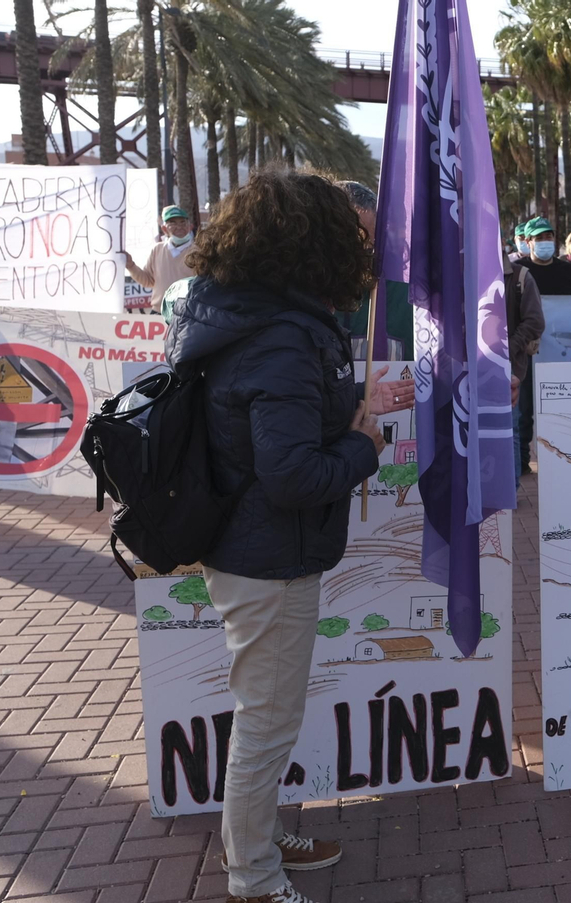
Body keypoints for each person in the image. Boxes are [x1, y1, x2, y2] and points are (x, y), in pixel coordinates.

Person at [164, 170, 415, 903]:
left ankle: (261, 838)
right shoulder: (279, 337)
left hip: (258, 549)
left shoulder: (252, 317)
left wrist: (350, 407)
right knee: (267, 724)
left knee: (267, 716)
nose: (359, 253)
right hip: (267, 556)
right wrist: (365, 441)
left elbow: (277, 433)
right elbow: (293, 475)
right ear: (311, 244)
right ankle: (255, 876)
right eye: (349, 238)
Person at [336, 181, 414, 360]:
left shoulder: (406, 292)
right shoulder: (306, 296)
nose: (360, 252)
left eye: (369, 243)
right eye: (351, 240)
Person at [503, 250, 545, 483]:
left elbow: (535, 321)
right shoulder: (462, 272)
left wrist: (508, 349)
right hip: (468, 365)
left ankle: (510, 487)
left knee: (510, 427)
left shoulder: (520, 276)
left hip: (508, 367)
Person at [125, 206, 199, 315]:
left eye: (183, 223)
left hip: (188, 314)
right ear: (164, 228)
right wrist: (131, 266)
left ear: (189, 227)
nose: (179, 227)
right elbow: (148, 280)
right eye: (173, 223)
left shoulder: (200, 251)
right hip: (159, 313)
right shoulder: (157, 250)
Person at [520, 217, 571, 295]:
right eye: (539, 238)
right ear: (528, 242)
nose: (545, 241)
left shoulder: (569, 271)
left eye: (548, 237)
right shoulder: (519, 271)